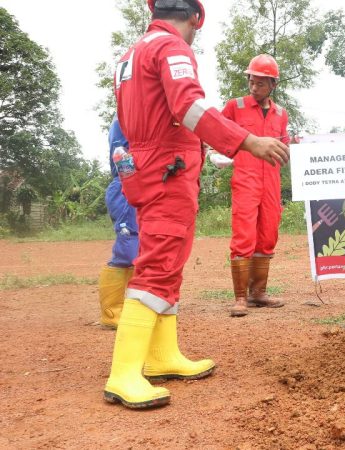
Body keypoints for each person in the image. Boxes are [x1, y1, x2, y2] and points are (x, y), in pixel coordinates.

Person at [106, 0, 290, 409]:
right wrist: (249, 141)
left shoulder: (131, 54)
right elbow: (189, 106)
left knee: (168, 261)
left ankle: (161, 355)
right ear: (194, 18)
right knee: (157, 264)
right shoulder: (171, 48)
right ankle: (123, 374)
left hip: (151, 166)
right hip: (166, 169)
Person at [220, 54, 289, 317]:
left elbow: (283, 144)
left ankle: (258, 293)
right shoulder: (234, 107)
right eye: (251, 81)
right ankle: (240, 297)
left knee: (268, 234)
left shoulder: (281, 114)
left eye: (260, 83)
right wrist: (220, 154)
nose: (254, 87)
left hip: (271, 181)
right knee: (243, 236)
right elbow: (218, 134)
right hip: (245, 180)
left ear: (273, 84)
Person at [98, 115, 138, 328]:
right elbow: (121, 155)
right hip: (126, 186)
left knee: (139, 250)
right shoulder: (124, 118)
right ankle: (111, 313)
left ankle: (132, 308)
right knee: (128, 248)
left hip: (139, 186)